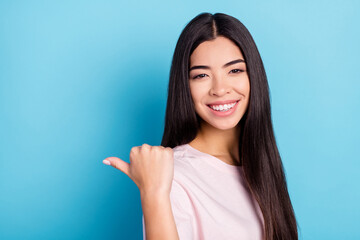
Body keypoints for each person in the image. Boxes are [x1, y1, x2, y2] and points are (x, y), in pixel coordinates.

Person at [102, 12, 299, 240]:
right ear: (185, 86)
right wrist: (154, 193)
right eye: (201, 75)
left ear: (254, 76)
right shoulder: (171, 176)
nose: (220, 88)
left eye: (234, 70)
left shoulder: (260, 166)